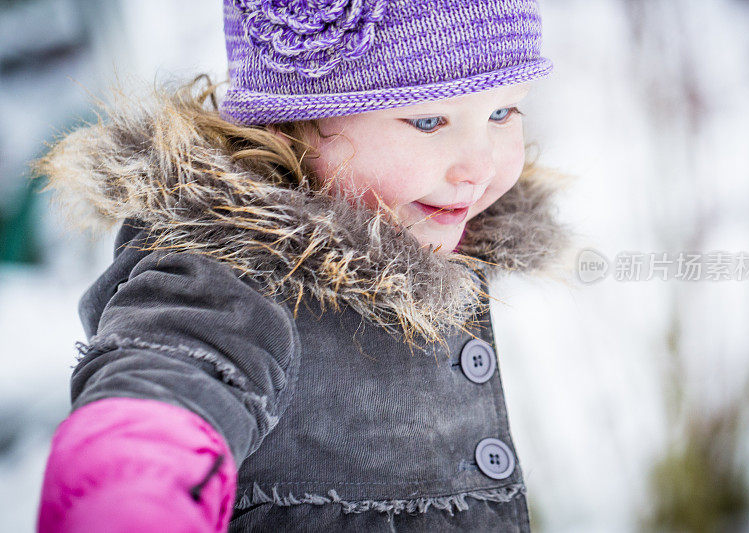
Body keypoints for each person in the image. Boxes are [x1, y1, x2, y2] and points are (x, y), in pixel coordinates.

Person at [33, 0, 572, 530]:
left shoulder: (439, 235)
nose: (479, 166)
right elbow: (158, 401)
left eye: (502, 112)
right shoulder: (231, 274)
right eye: (428, 119)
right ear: (291, 118)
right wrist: (134, 501)